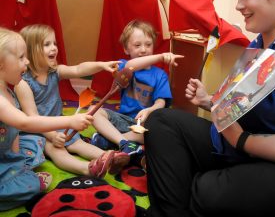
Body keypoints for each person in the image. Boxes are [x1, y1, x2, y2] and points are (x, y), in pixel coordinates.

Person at [144, 0, 275, 217]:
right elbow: (242, 103)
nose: (238, 5)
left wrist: (243, 141)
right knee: (161, 122)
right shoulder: (258, 43)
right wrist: (209, 101)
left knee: (204, 192)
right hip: (230, 145)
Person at [15, 24, 129, 179]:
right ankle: (88, 169)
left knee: (78, 144)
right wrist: (52, 135)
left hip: (60, 122)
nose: (54, 48)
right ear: (30, 51)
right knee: (56, 149)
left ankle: (109, 157)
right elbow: (32, 119)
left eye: (54, 43)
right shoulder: (23, 84)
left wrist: (101, 65)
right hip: (37, 130)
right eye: (47, 44)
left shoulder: (55, 72)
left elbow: (79, 69)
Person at [0, 27, 93, 211]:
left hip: (6, 153)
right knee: (33, 185)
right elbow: (26, 122)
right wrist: (69, 121)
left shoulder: (8, 91)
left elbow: (17, 132)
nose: (26, 61)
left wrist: (17, 160)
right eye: (20, 57)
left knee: (36, 142)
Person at [91, 20, 183, 161]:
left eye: (148, 44)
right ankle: (125, 144)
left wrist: (149, 110)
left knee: (160, 136)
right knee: (94, 111)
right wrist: (160, 57)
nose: (143, 50)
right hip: (123, 120)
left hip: (144, 125)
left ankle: (110, 142)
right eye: (137, 45)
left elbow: (161, 102)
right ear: (126, 49)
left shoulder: (160, 74)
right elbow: (131, 66)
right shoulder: (124, 65)